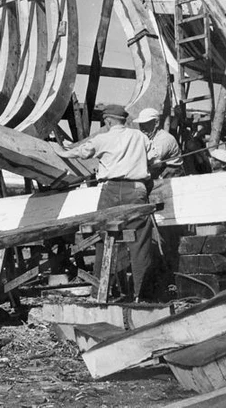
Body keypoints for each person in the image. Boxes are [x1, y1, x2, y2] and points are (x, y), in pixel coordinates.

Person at [55, 103, 158, 301]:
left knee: (105, 238)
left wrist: (61, 151)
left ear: (108, 121)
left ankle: (100, 293)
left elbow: (81, 153)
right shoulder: (140, 137)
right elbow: (154, 159)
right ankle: (142, 295)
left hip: (110, 190)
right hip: (136, 189)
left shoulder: (102, 138)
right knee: (140, 242)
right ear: (124, 120)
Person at [135, 108, 183, 180]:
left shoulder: (164, 139)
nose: (142, 128)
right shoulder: (149, 136)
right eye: (140, 124)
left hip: (172, 174)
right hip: (159, 170)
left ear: (156, 123)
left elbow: (153, 162)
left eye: (146, 124)